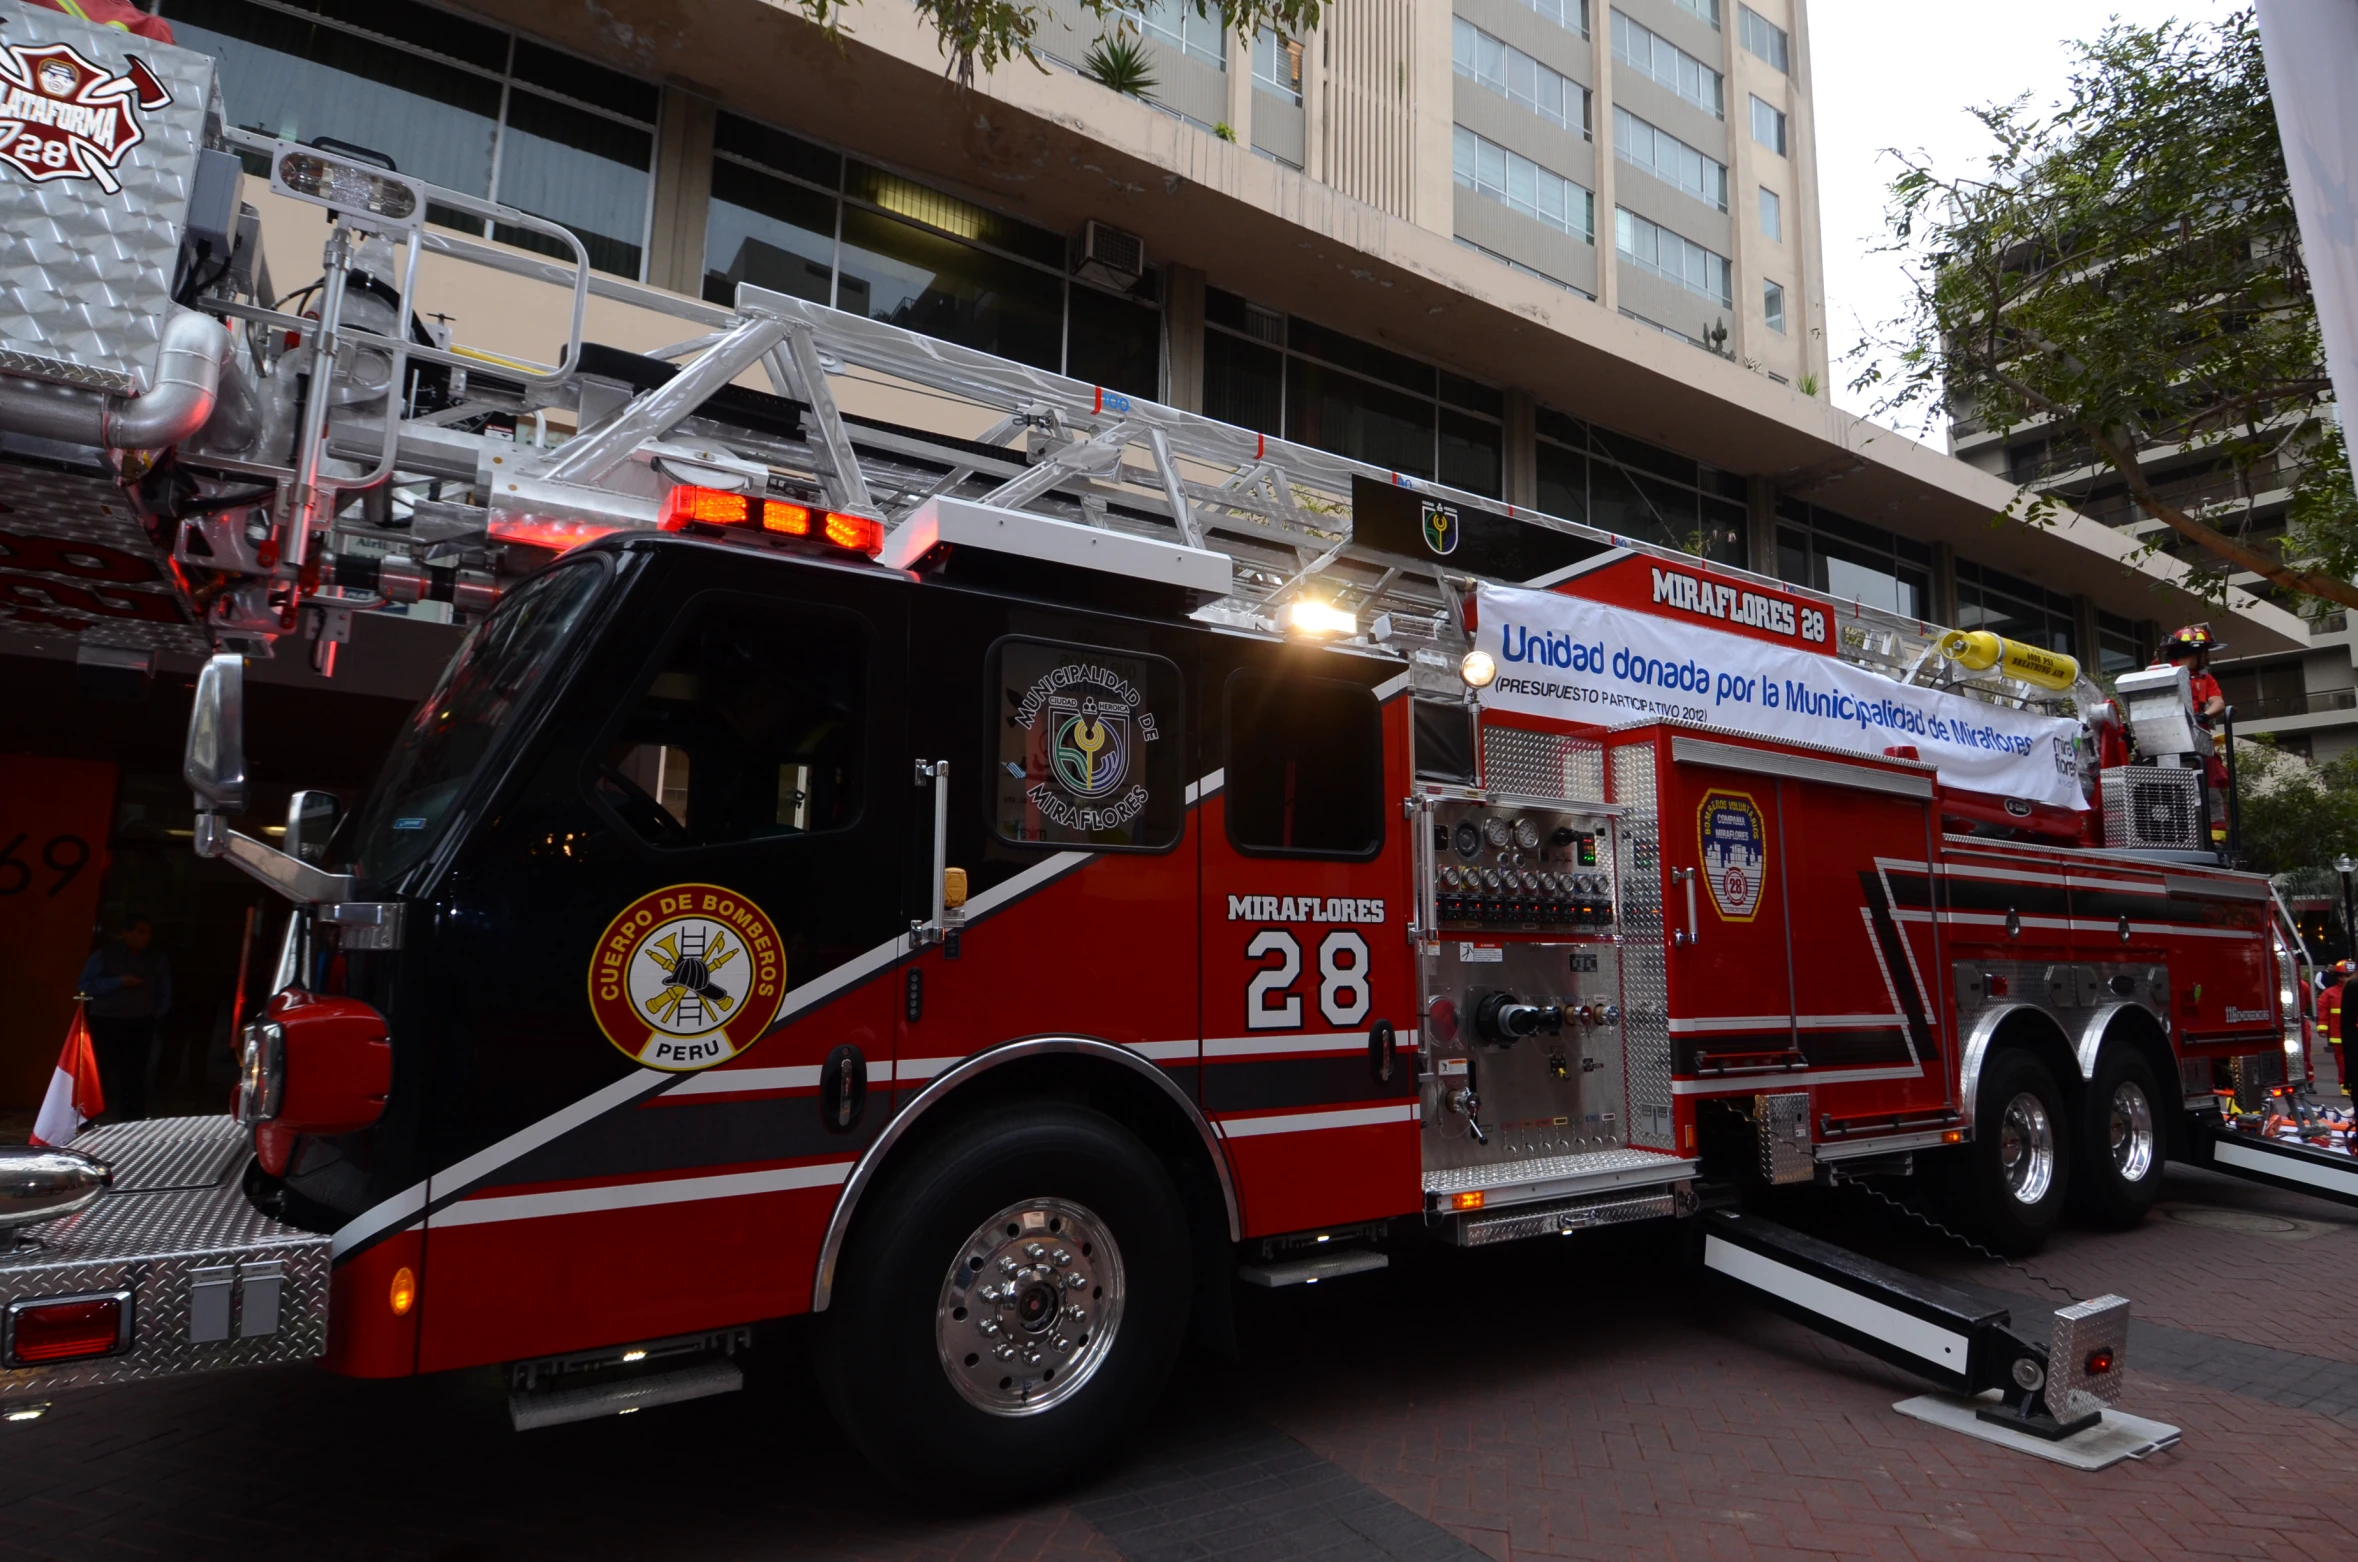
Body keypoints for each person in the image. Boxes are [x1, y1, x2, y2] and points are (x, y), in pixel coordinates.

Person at [77, 913, 171, 1122]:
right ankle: (89, 1117)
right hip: (106, 1021)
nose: (145, 937)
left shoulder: (157, 958)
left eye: (148, 933)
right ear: (125, 933)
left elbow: (165, 990)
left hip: (140, 1022)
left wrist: (156, 1013)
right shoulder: (104, 955)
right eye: (140, 932)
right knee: (100, 1071)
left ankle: (132, 1120)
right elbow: (85, 986)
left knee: (135, 1073)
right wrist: (118, 982)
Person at [2154, 625, 2230, 843]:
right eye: (2206, 652)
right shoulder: (2161, 674)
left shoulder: (2205, 680)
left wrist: (2203, 716)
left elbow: (2218, 703)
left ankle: (2216, 839)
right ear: (2196, 652)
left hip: (2199, 741)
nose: (2208, 658)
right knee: (2171, 792)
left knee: (2212, 789)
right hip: (2168, 743)